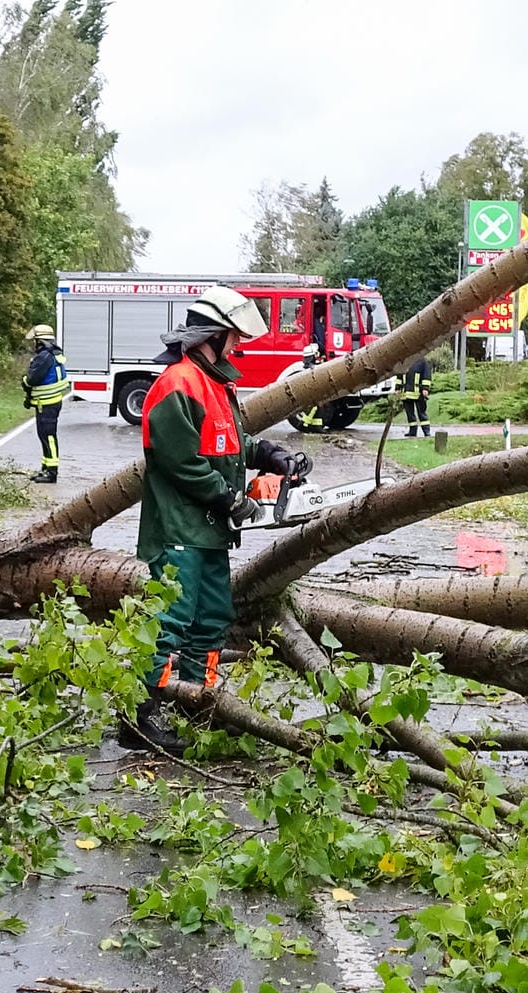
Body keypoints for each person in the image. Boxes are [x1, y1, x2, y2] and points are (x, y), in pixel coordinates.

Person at [130, 285, 300, 751]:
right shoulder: (177, 384)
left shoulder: (216, 383)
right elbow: (179, 461)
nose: (238, 345)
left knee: (210, 619)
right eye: (232, 337)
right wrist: (231, 499)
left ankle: (196, 702)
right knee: (171, 618)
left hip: (209, 530)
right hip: (179, 525)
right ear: (211, 335)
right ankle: (142, 714)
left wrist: (269, 454)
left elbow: (230, 443)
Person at [21, 324, 69, 483]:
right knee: (44, 436)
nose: (34, 344)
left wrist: (25, 381)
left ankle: (52, 472)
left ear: (40, 341)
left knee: (48, 436)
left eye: (35, 341)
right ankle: (46, 468)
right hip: (49, 402)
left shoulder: (43, 356)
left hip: (47, 403)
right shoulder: (53, 354)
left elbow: (32, 378)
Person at [401, 354, 434, 437]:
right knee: (410, 414)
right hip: (406, 393)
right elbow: (399, 376)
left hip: (418, 393)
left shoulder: (422, 362)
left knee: (422, 413)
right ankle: (412, 431)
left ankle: (426, 431)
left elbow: (427, 375)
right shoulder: (404, 362)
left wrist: (425, 388)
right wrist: (397, 388)